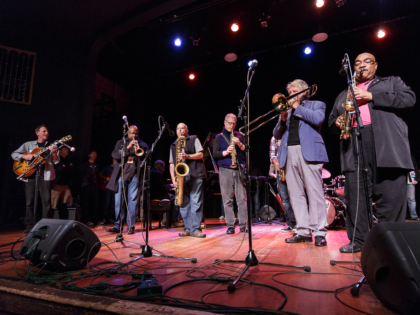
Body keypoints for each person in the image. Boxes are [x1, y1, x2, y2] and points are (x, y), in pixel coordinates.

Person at [328, 52, 416, 253]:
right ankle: (358, 241)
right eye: (357, 62)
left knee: (391, 197)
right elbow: (331, 120)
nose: (361, 65)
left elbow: (409, 98)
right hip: (353, 146)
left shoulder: (391, 82)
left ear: (376, 66)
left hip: (387, 144)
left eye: (367, 62)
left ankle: (391, 242)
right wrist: (337, 122)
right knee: (355, 198)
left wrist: (372, 96)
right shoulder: (344, 94)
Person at [273, 79, 329, 247]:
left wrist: (297, 107)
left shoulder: (316, 104)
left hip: (310, 152)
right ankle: (303, 231)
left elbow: (318, 119)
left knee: (315, 193)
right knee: (296, 194)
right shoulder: (287, 110)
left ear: (304, 91)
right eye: (289, 93)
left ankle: (319, 232)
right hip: (289, 153)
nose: (290, 95)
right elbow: (276, 134)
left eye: (294, 91)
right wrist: (282, 120)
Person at [11, 125, 59, 233]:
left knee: (46, 201)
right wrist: (24, 156)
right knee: (30, 202)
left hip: (45, 175)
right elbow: (14, 154)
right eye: (44, 131)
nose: (46, 133)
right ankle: (29, 226)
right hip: (30, 175)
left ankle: (45, 226)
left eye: (47, 131)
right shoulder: (28, 144)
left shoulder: (51, 146)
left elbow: (56, 161)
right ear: (37, 133)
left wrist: (54, 151)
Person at [106, 125, 149, 235]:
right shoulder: (121, 143)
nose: (134, 135)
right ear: (127, 133)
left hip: (134, 177)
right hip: (121, 176)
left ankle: (131, 227)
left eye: (136, 133)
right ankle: (117, 226)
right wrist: (128, 148)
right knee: (118, 202)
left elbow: (147, 160)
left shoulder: (143, 145)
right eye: (132, 133)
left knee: (132, 203)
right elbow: (115, 155)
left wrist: (139, 150)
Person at [213, 113, 248, 234]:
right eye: (229, 123)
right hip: (225, 170)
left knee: (241, 199)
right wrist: (225, 152)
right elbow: (215, 154)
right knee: (227, 199)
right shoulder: (219, 137)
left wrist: (239, 144)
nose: (231, 126)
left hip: (238, 169)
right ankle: (230, 226)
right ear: (225, 122)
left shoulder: (240, 135)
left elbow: (246, 151)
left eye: (234, 124)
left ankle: (243, 225)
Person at [169, 123, 206, 238]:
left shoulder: (194, 139)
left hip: (195, 175)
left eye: (182, 128)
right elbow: (171, 164)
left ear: (187, 130)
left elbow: (201, 154)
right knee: (183, 204)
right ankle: (188, 228)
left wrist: (188, 156)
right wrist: (173, 179)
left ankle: (195, 229)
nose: (180, 130)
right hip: (181, 177)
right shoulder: (174, 145)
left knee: (195, 202)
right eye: (178, 128)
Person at [269, 136, 295, 231]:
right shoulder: (274, 138)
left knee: (296, 197)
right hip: (280, 172)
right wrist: (276, 162)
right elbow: (272, 154)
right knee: (285, 200)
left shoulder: (291, 134)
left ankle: (300, 223)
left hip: (292, 170)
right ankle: (291, 223)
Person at [150, 160, 183, 227]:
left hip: (153, 194)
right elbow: (162, 188)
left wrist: (169, 188)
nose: (164, 170)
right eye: (163, 168)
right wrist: (171, 186)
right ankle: (174, 220)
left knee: (171, 197)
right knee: (175, 199)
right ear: (159, 167)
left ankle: (166, 220)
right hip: (157, 196)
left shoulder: (152, 171)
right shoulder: (157, 173)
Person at [52, 146, 74, 219]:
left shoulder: (69, 159)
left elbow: (72, 169)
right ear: (60, 151)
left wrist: (65, 167)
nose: (67, 151)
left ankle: (64, 220)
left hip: (66, 184)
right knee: (54, 203)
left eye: (67, 149)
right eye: (65, 149)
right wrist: (66, 167)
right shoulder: (57, 159)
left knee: (65, 203)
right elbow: (59, 169)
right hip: (57, 184)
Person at [80, 150, 99, 227]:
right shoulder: (85, 164)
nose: (94, 155)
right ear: (89, 155)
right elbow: (81, 175)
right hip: (86, 185)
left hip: (94, 186)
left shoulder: (96, 165)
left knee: (94, 203)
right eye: (92, 154)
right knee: (86, 203)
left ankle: (94, 220)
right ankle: (86, 220)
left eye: (95, 154)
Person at [98, 158, 117, 224]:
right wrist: (106, 178)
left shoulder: (118, 168)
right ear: (113, 160)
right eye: (115, 159)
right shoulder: (108, 168)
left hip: (114, 188)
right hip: (108, 188)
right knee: (106, 203)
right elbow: (100, 174)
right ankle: (104, 218)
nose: (116, 161)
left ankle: (110, 218)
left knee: (113, 204)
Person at [407, 155, 419, 221]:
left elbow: (415, 167)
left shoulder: (410, 156)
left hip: (410, 178)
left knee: (411, 198)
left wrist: (416, 178)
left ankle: (413, 215)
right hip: (399, 179)